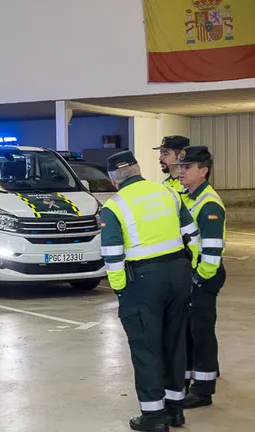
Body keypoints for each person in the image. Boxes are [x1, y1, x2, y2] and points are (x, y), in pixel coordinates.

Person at [100, 150, 200, 431]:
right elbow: (192, 236)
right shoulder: (167, 194)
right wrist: (187, 269)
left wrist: (120, 290)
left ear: (113, 179)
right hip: (178, 275)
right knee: (174, 342)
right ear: (138, 169)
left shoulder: (115, 206)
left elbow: (112, 255)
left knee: (146, 348)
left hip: (143, 283)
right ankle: (175, 410)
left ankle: (154, 416)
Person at [172, 146, 226, 409]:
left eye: (187, 167)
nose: (180, 171)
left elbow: (213, 249)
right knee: (189, 331)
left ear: (203, 171)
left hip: (204, 275)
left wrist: (199, 279)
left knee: (202, 331)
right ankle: (187, 380)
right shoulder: (189, 197)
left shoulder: (209, 203)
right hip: (191, 275)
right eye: (180, 166)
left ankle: (203, 390)